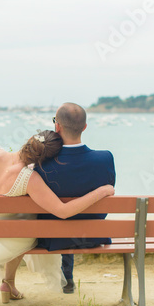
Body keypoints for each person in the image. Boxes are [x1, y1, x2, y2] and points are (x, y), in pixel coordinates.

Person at [0, 129, 114, 303]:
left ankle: (9, 284)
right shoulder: (29, 178)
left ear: (30, 140)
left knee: (19, 221)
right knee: (26, 226)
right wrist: (101, 191)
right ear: (46, 160)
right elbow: (63, 211)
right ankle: (8, 281)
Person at [35, 102, 116, 294]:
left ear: (57, 127)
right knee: (74, 219)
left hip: (50, 238)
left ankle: (66, 279)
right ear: (85, 127)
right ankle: (67, 278)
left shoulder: (42, 162)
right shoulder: (105, 158)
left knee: (60, 221)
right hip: (92, 235)